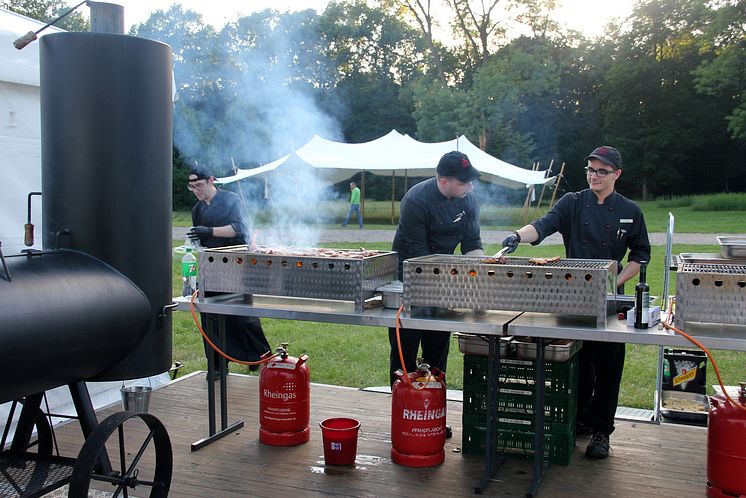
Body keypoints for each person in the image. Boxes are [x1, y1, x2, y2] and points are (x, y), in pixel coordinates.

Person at [501, 146, 650, 460]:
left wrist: (613, 283)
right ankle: (578, 420)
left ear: (616, 174)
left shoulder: (630, 210)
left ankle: (601, 432)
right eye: (591, 171)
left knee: (608, 367)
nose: (594, 176)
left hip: (609, 300)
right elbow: (542, 225)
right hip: (573, 298)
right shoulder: (572, 203)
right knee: (577, 363)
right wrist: (517, 235)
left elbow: (640, 256)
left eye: (602, 172)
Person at [388, 151, 484, 388]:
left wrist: (480, 272)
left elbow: (472, 243)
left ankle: (433, 415)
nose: (470, 187)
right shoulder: (416, 201)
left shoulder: (468, 199)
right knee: (404, 356)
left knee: (438, 353)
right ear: (443, 181)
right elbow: (419, 254)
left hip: (442, 284)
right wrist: (452, 278)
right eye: (464, 182)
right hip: (409, 281)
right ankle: (405, 416)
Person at [187, 167, 271, 378]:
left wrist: (210, 231)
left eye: (199, 185)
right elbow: (201, 238)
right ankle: (216, 366)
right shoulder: (197, 209)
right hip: (211, 266)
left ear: (211, 181)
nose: (196, 190)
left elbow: (240, 229)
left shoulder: (231, 200)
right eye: (192, 187)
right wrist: (198, 240)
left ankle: (260, 357)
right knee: (209, 315)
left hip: (235, 263)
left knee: (241, 315)